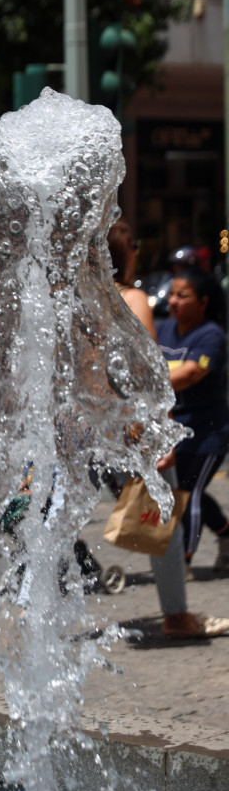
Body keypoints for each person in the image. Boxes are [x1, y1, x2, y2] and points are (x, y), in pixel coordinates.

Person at [110, 222, 228, 638]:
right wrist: (155, 425)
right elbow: (147, 374)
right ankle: (177, 615)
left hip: (81, 421)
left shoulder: (68, 299)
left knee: (52, 514)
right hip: (132, 423)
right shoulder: (132, 298)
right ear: (126, 252)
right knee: (162, 512)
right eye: (136, 247)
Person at [156, 267, 229, 573]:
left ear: (202, 302)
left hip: (207, 432)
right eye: (171, 293)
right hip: (173, 429)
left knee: (189, 493)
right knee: (179, 492)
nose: (173, 300)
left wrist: (148, 379)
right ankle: (227, 534)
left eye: (182, 295)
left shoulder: (211, 335)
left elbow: (189, 374)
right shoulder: (160, 329)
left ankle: (182, 562)